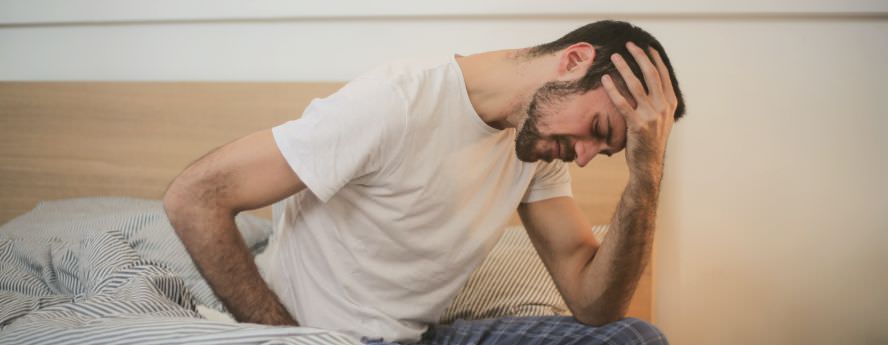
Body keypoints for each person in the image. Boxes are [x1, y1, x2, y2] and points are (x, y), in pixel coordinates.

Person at [163, 20, 686, 345]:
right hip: (325, 337)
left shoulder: (538, 149)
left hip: (418, 337)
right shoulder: (397, 102)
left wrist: (647, 172)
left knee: (633, 338)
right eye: (598, 130)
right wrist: (289, 340)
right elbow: (195, 196)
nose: (588, 157)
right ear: (574, 60)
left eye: (609, 150)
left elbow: (595, 306)